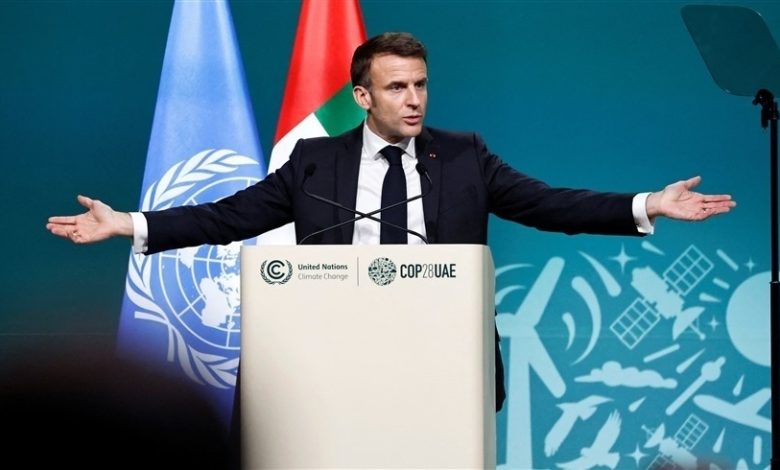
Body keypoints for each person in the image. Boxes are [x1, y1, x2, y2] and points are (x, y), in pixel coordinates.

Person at [47, 32, 735, 411]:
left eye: (421, 85)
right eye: (397, 86)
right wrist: (129, 224)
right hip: (336, 362)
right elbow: (231, 215)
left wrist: (648, 203)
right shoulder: (315, 163)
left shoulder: (463, 156)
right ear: (362, 95)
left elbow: (549, 204)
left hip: (445, 363)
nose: (414, 100)